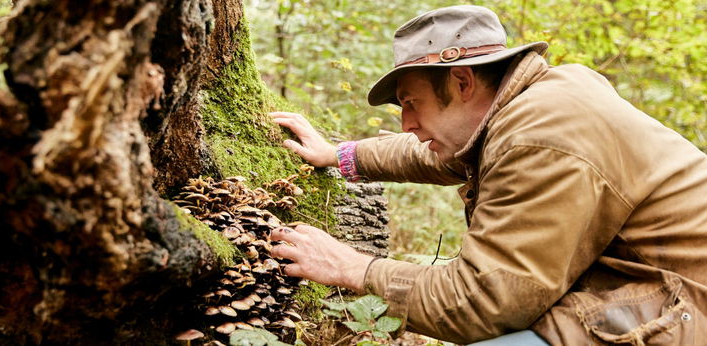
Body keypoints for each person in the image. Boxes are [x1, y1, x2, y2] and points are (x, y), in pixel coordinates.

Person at [269, 5, 707, 345]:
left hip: (685, 305)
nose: (406, 123)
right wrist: (340, 156)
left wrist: (352, 267)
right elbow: (434, 155)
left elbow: (484, 301)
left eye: (410, 103)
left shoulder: (539, 137)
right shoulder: (531, 106)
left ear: (462, 83)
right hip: (656, 287)